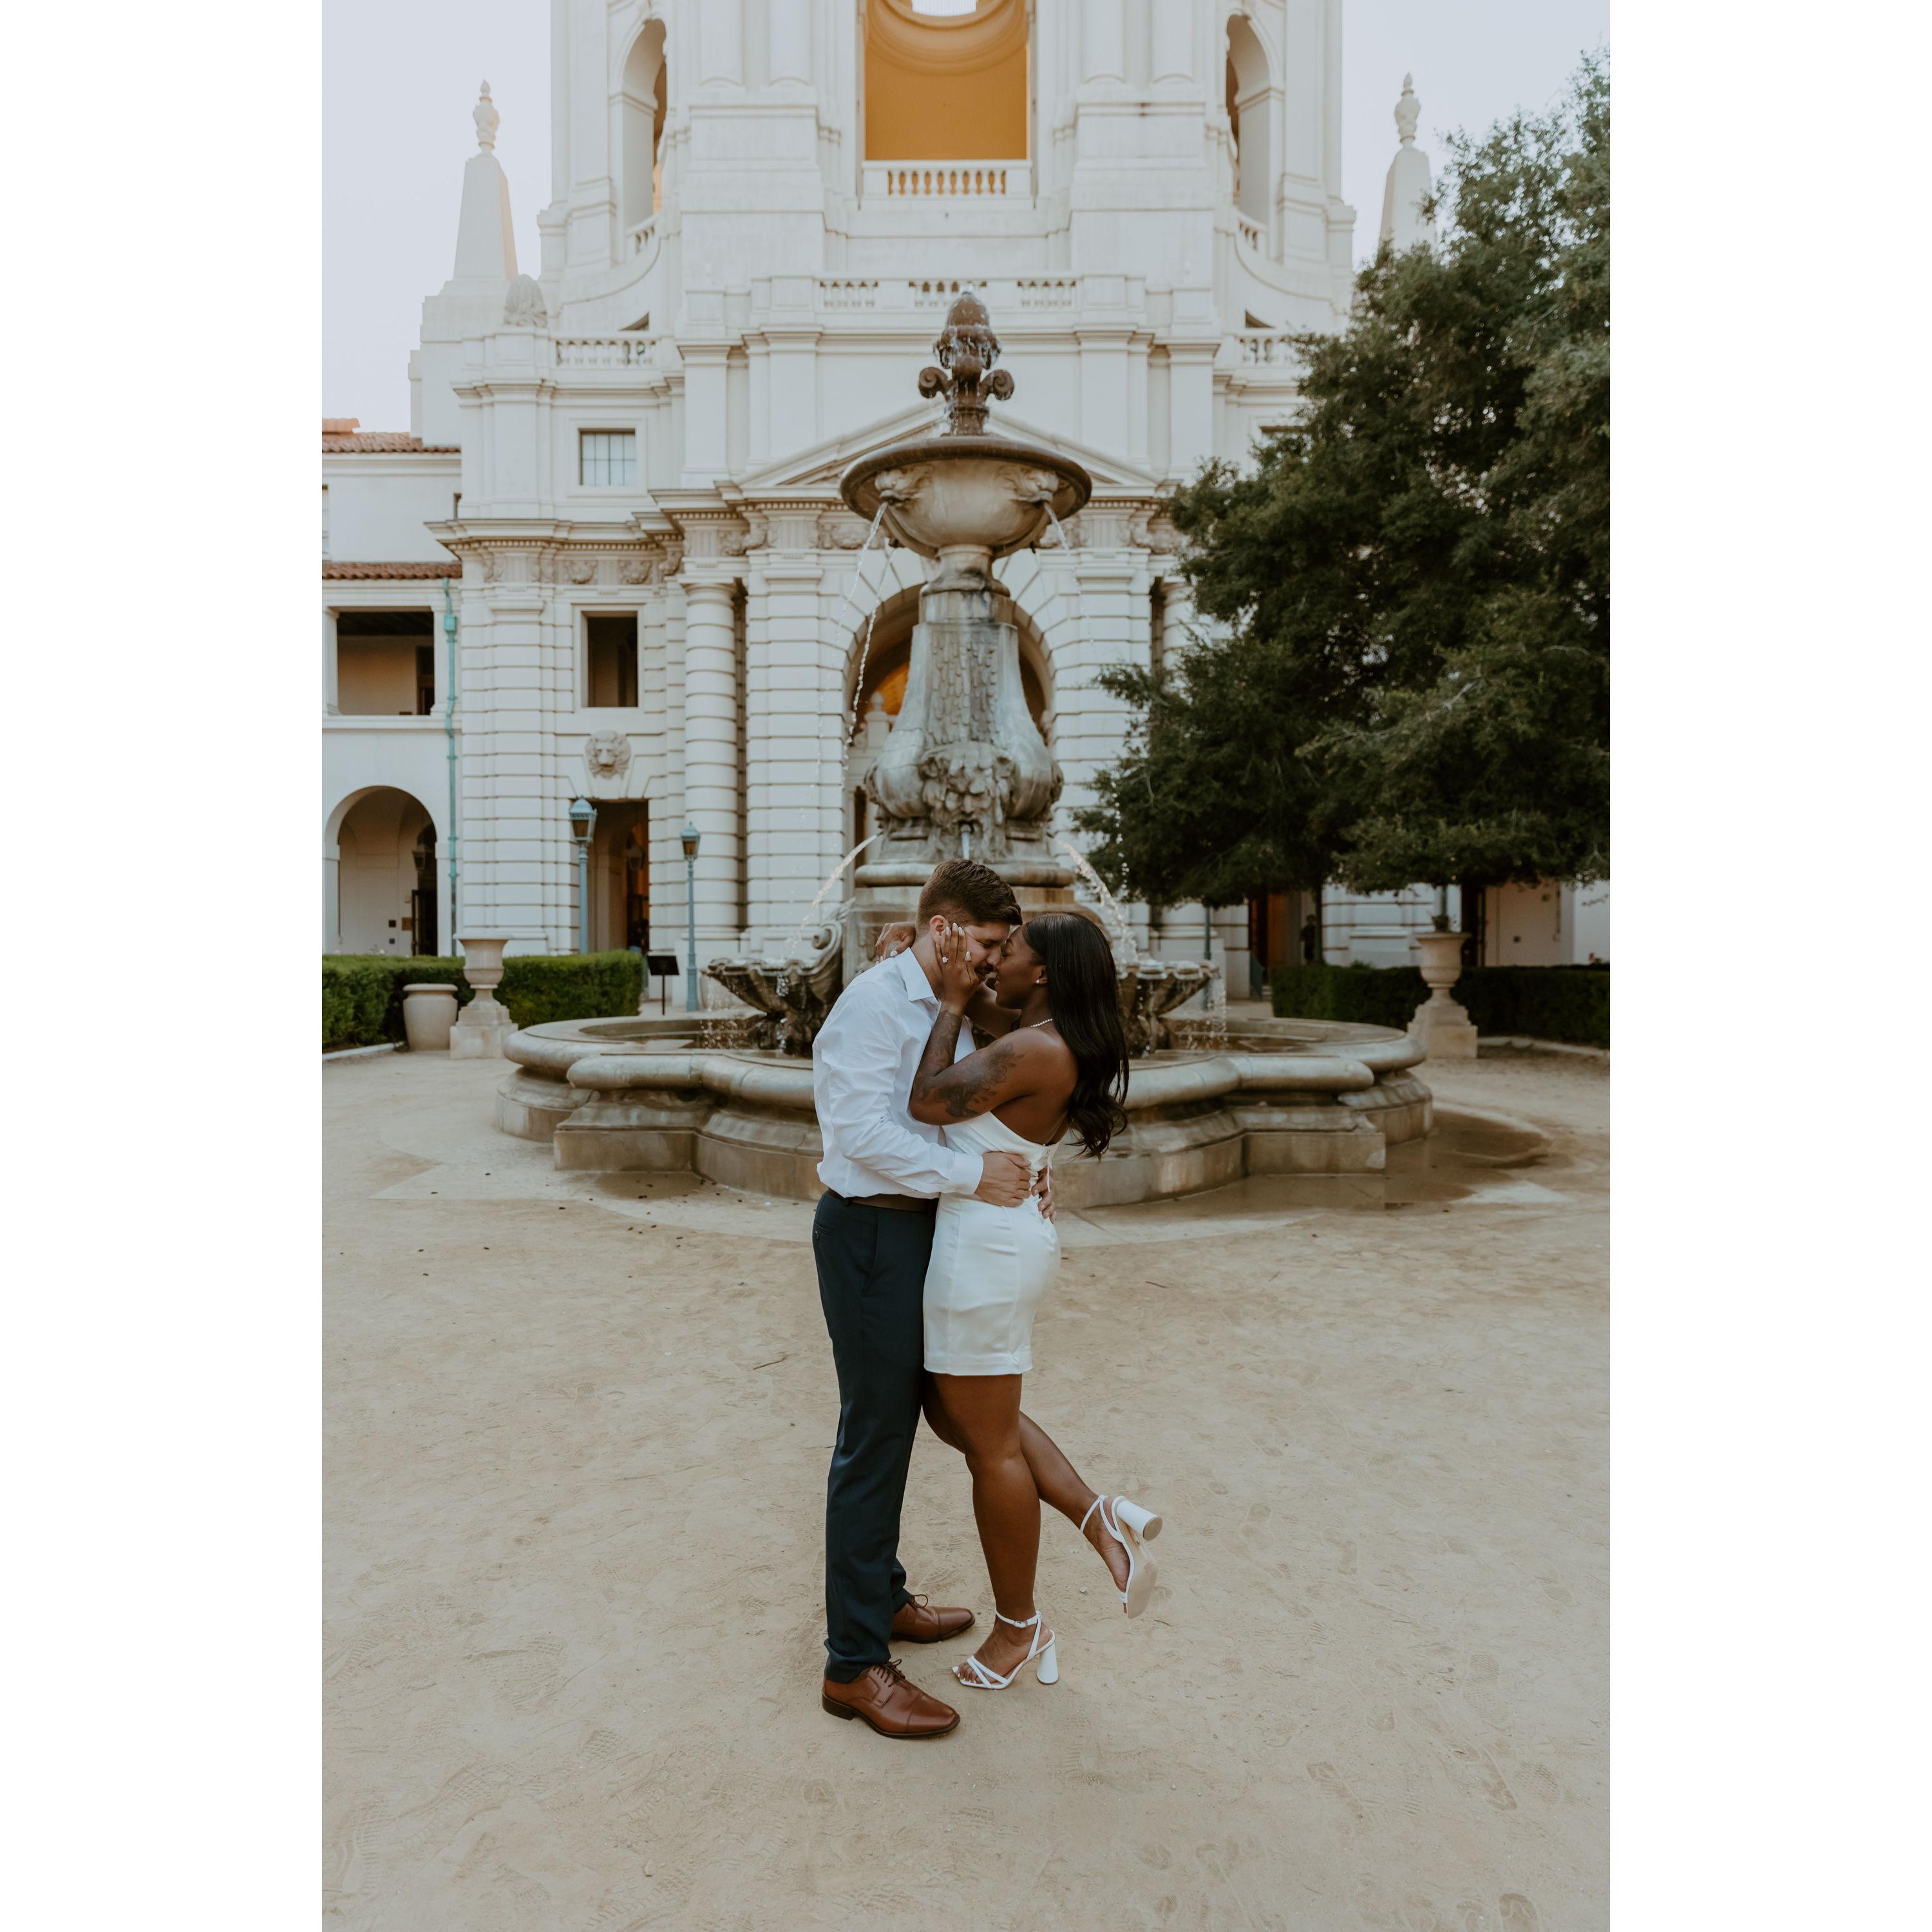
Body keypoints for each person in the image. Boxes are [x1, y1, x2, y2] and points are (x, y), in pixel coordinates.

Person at [907, 911, 1168, 1694]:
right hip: (1003, 1240)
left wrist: (950, 1002)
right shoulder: (1047, 1035)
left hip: (983, 1253)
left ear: (1044, 971)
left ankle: (1019, 1628)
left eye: (1010, 951)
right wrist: (934, 962)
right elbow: (992, 1009)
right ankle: (1098, 1515)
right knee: (955, 1414)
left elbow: (927, 1099)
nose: (996, 962)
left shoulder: (1034, 1048)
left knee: (989, 1446)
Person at [810, 857, 1038, 1741]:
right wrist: (975, 1177)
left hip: (915, 1233)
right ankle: (853, 1666)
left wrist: (1021, 1169)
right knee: (872, 1440)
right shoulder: (873, 1004)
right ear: (942, 930)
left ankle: (882, 1597)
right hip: (870, 1234)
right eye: (983, 943)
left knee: (900, 1425)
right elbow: (862, 1136)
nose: (991, 960)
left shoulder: (945, 998)